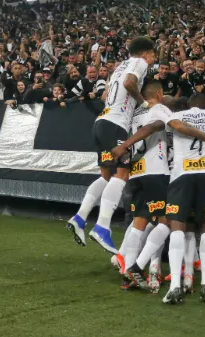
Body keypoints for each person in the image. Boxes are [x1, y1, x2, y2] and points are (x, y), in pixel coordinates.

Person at [112, 87, 205, 295]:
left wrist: (125, 147)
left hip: (138, 173)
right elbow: (156, 126)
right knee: (168, 222)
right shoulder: (163, 113)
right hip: (159, 173)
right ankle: (148, 268)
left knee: (139, 222)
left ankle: (129, 268)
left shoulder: (136, 114)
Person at [67, 37, 156, 254]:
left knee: (107, 175)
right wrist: (144, 103)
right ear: (145, 53)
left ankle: (80, 217)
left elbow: (107, 94)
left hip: (102, 122)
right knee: (122, 174)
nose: (154, 59)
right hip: (115, 124)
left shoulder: (119, 67)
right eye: (153, 55)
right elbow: (129, 84)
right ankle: (102, 227)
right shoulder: (140, 63)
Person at [162, 93, 205, 305]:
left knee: (177, 227)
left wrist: (200, 134)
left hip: (182, 175)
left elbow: (176, 127)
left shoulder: (178, 115)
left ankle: (175, 287)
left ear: (189, 105)